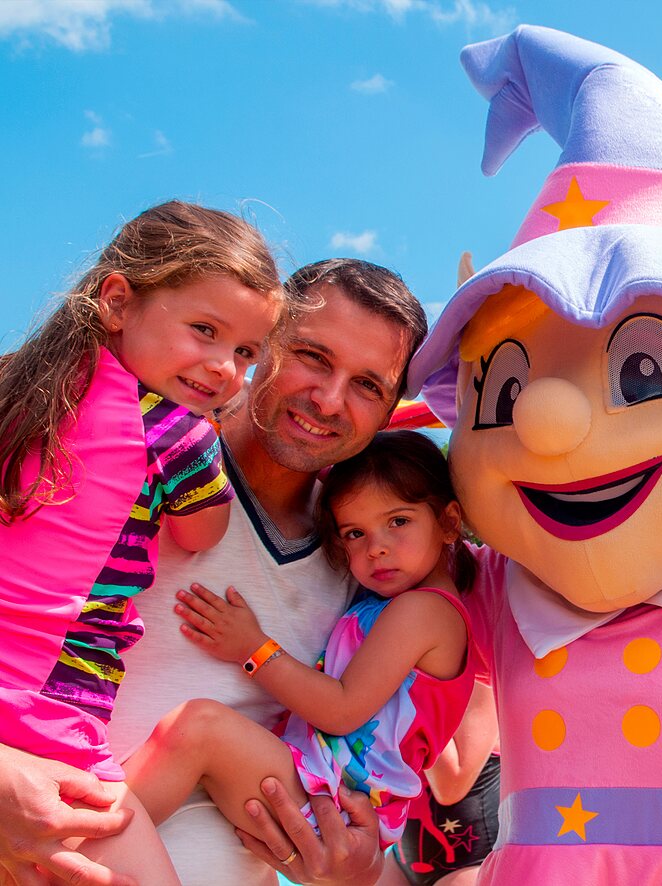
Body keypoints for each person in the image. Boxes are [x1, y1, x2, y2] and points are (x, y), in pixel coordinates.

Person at [108, 257, 429, 886]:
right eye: (313, 355)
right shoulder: (136, 449)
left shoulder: (369, 555)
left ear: (391, 409)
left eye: (368, 385)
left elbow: (351, 767)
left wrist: (360, 865)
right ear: (264, 344)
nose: (329, 400)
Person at [0, 201, 283, 882]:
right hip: (47, 714)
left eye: (245, 353)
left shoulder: (16, 389)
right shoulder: (176, 433)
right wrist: (210, 443)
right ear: (118, 302)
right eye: (204, 331)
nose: (223, 369)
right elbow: (203, 530)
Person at [125, 430, 476, 855]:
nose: (377, 548)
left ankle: (80, 843)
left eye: (398, 521)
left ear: (449, 522)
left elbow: (343, 709)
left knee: (198, 729)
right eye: (354, 533)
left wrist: (251, 647)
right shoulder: (398, 600)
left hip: (334, 803)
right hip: (321, 787)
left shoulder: (424, 611)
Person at [387, 682, 500, 886]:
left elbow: (451, 786)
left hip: (470, 860)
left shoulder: (481, 673)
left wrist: (402, 692)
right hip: (402, 855)